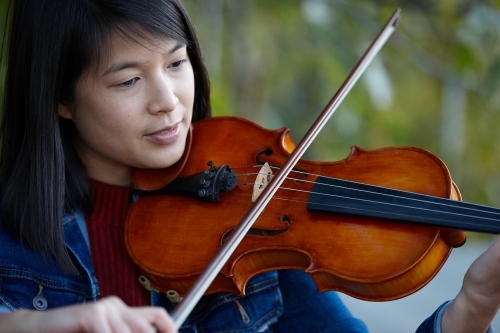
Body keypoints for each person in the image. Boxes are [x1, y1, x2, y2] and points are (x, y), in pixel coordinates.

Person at [0, 0, 498, 332]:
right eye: (128, 81)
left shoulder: (252, 225)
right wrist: (32, 324)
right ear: (61, 97)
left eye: (177, 64)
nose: (169, 101)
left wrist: (473, 305)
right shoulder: (12, 232)